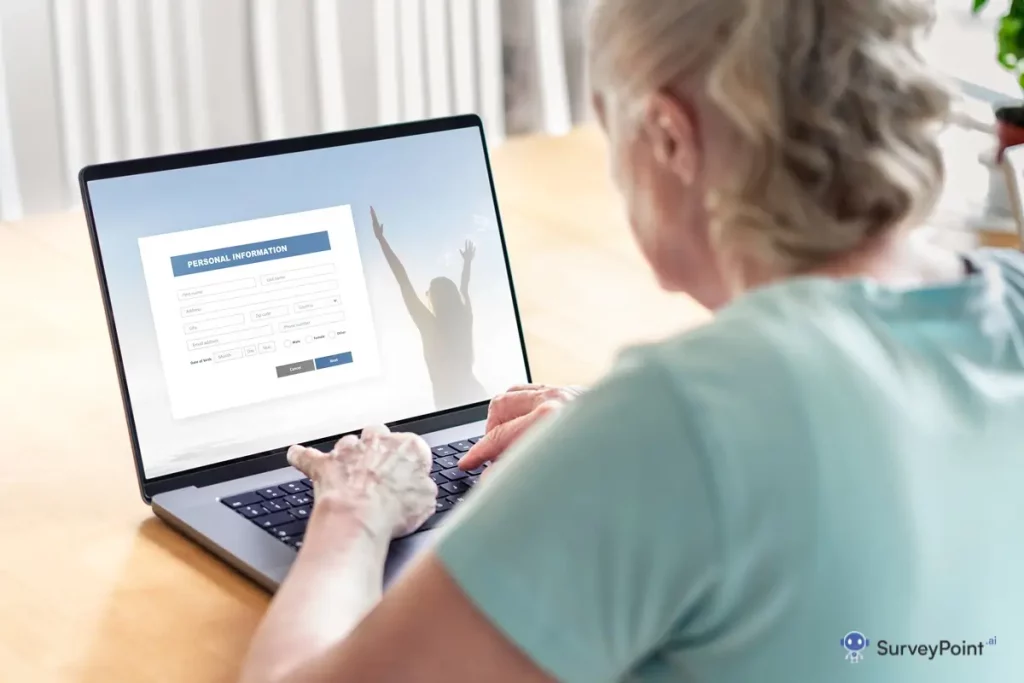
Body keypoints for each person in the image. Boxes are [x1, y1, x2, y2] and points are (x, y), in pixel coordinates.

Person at [240, 1, 1024, 681]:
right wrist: (603, 440)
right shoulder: (1009, 307)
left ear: (670, 137)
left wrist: (352, 508)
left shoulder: (682, 417)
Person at [371, 206, 487, 410]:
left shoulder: (429, 326)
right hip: (478, 397)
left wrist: (381, 240)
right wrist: (467, 263)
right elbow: (464, 287)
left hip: (449, 403)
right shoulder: (464, 318)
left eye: (429, 292)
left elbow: (403, 280)